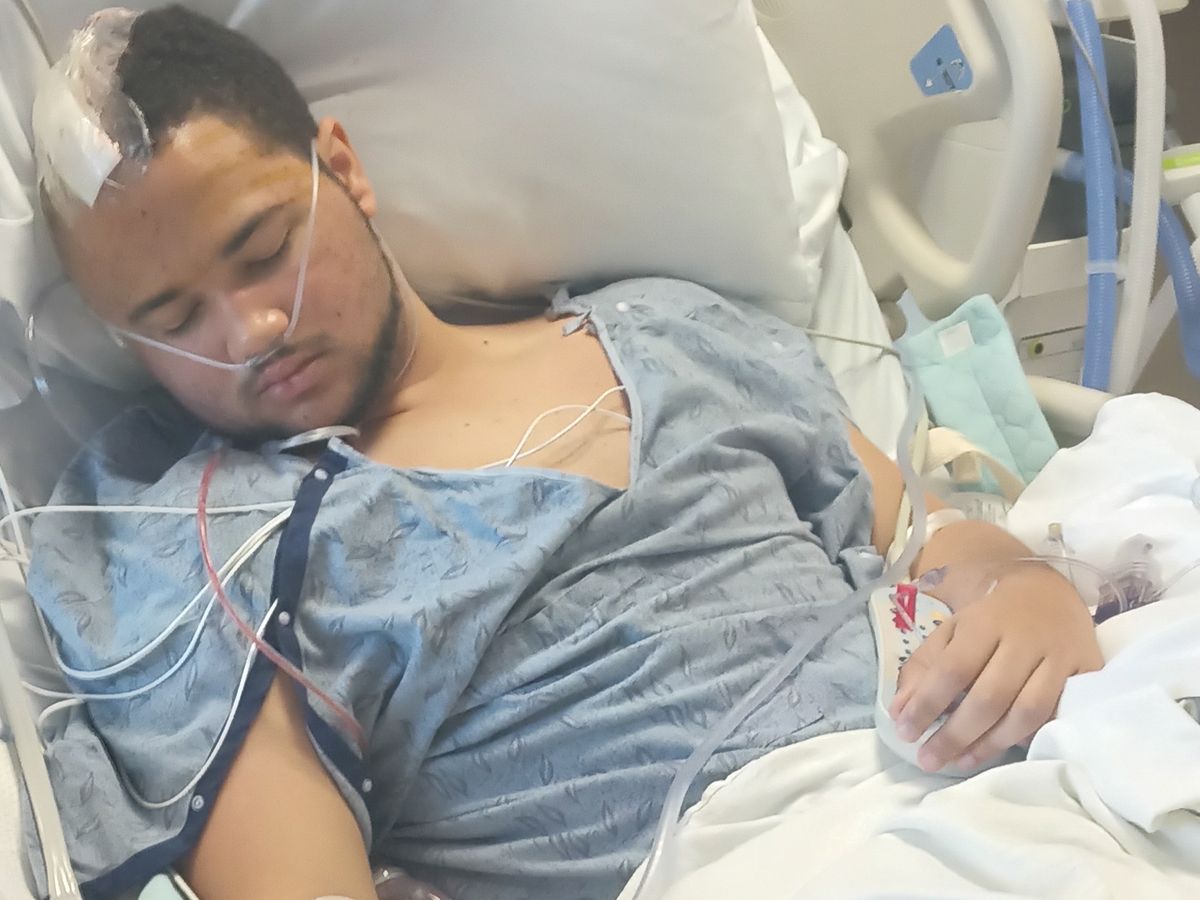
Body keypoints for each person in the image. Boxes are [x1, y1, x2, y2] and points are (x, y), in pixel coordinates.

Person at [26, 6, 1103, 900]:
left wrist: (1021, 589)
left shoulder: (675, 331)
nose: (249, 332)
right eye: (172, 318)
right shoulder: (207, 547)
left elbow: (920, 541)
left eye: (264, 249)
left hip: (1015, 795)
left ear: (342, 170)